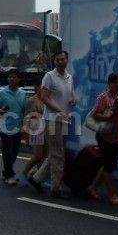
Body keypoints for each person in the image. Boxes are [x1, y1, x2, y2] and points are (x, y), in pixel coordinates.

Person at [28, 51, 74, 198]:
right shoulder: (49, 76)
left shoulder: (69, 77)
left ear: (67, 60)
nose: (60, 62)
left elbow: (68, 95)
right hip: (52, 119)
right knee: (58, 155)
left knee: (56, 153)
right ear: (54, 62)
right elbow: (44, 97)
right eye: (57, 60)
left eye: (63, 59)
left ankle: (36, 179)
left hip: (64, 119)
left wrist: (72, 101)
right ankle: (56, 188)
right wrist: (59, 110)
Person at [86, 72, 118, 205]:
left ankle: (92, 188)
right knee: (108, 166)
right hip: (106, 136)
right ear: (109, 83)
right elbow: (96, 114)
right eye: (115, 82)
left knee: (109, 165)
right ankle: (112, 193)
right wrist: (108, 116)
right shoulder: (103, 97)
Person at [0, 70, 28, 185]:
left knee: (14, 152)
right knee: (7, 152)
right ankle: (9, 175)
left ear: (18, 79)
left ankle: (6, 172)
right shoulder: (2, 92)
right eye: (10, 77)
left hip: (17, 127)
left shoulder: (22, 93)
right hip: (5, 127)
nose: (11, 79)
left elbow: (25, 109)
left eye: (14, 77)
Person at [22, 76, 46, 181]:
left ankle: (38, 178)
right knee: (38, 156)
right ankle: (24, 174)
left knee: (44, 157)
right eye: (40, 86)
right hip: (36, 128)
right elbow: (26, 118)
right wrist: (27, 136)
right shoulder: (32, 100)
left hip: (47, 128)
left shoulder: (47, 98)